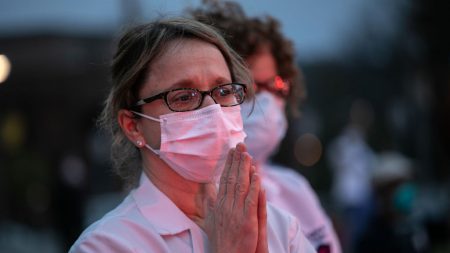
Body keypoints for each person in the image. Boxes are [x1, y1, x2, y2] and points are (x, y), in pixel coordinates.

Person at [69, 18, 316, 253]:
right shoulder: (107, 245)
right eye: (184, 97)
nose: (213, 110)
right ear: (133, 126)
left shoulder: (281, 229)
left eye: (223, 91)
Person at [190, 2, 341, 253]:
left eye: (276, 85)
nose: (268, 101)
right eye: (250, 87)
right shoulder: (193, 201)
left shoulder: (294, 188)